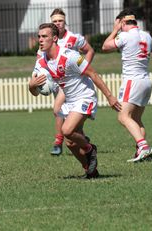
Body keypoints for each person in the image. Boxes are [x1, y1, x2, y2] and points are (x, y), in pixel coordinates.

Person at [29, 23, 121, 178]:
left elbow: (93, 74)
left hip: (84, 96)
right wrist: (31, 86)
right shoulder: (41, 62)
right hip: (70, 100)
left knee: (66, 130)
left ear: (55, 38)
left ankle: (90, 148)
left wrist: (110, 97)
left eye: (44, 36)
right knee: (70, 142)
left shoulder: (69, 56)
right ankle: (90, 170)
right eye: (39, 36)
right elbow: (35, 92)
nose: (40, 40)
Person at [39, 8, 95, 156]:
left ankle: (59, 141)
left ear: (65, 22)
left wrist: (83, 69)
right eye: (54, 21)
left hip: (71, 82)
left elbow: (89, 51)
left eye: (60, 21)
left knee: (58, 110)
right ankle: (79, 140)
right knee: (64, 114)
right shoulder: (46, 40)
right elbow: (41, 62)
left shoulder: (74, 38)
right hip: (57, 80)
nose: (57, 23)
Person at [102, 9, 152, 162]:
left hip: (133, 81)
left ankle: (143, 147)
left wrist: (114, 30)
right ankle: (143, 152)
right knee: (136, 119)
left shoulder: (124, 35)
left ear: (123, 22)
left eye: (119, 24)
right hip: (146, 80)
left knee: (123, 116)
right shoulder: (147, 36)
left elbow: (105, 47)